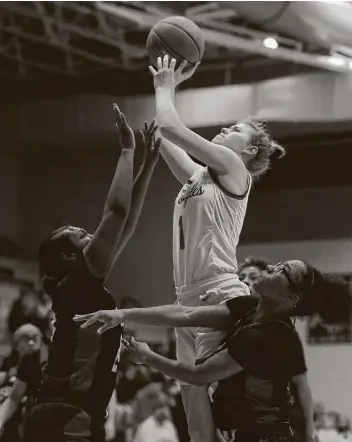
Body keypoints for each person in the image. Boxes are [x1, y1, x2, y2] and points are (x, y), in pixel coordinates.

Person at [148, 54, 286, 442]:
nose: (225, 129)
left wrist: (166, 88)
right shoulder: (199, 176)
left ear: (251, 151)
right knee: (193, 411)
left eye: (236, 130)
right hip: (185, 299)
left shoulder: (233, 167)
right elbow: (162, 136)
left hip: (218, 291)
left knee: (224, 402)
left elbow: (171, 125)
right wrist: (174, 80)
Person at [75, 260, 352, 442]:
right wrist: (122, 313)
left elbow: (198, 375)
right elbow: (186, 314)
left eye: (283, 271)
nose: (272, 265)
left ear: (290, 298)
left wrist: (147, 357)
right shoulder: (248, 307)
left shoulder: (270, 337)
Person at [22, 105, 160, 442]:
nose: (93, 236)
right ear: (70, 255)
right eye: (83, 234)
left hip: (69, 412)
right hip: (68, 413)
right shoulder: (77, 286)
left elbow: (124, 223)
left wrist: (147, 166)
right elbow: (115, 211)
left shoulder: (76, 289)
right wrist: (127, 150)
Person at [0, 324, 43, 442]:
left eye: (34, 338)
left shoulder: (44, 365)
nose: (31, 343)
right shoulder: (9, 365)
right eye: (26, 339)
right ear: (16, 345)